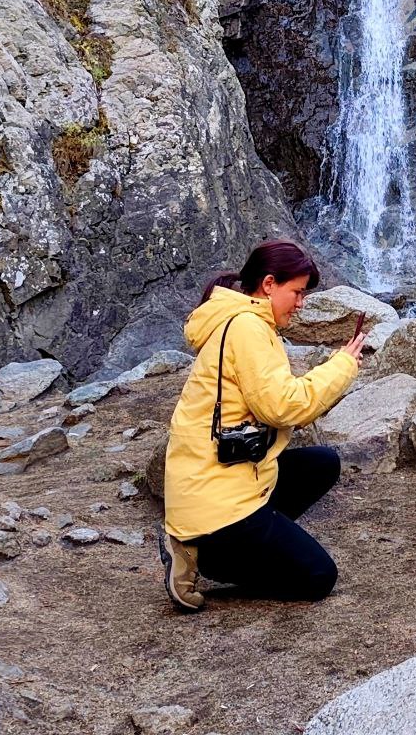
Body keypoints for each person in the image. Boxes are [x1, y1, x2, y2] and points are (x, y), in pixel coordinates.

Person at [159, 239, 365, 611]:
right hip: (215, 499)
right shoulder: (247, 329)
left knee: (322, 463)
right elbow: (283, 407)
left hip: (220, 476)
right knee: (320, 578)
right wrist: (342, 366)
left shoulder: (243, 321)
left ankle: (244, 543)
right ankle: (205, 555)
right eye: (297, 292)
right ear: (269, 284)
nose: (301, 304)